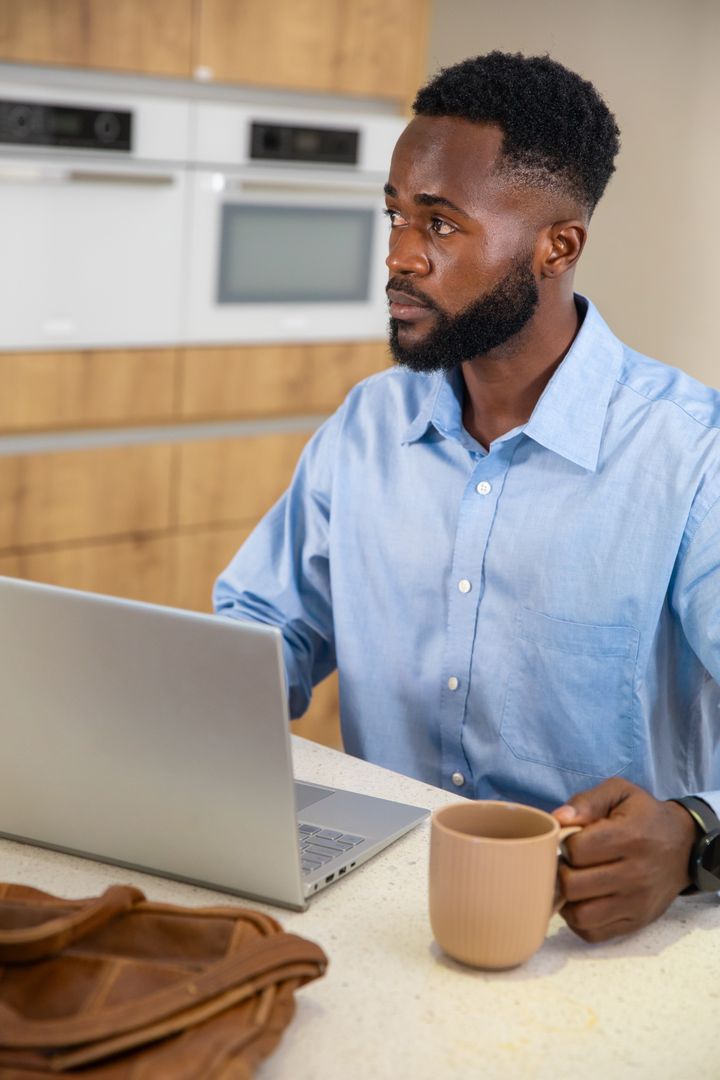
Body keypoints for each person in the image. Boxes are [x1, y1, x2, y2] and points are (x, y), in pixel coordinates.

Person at [214, 51, 720, 941]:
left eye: (441, 225)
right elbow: (265, 628)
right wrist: (189, 702)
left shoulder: (690, 455)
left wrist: (695, 836)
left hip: (607, 936)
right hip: (388, 914)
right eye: (396, 216)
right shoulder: (368, 425)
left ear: (557, 246)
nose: (400, 256)